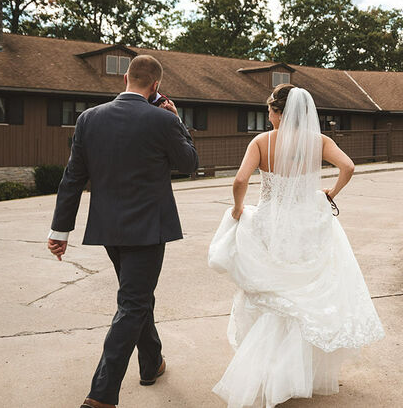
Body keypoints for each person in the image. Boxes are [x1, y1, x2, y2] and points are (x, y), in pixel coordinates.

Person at [209, 85, 384, 407]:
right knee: (306, 296)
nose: (268, 117)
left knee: (276, 295)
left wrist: (237, 209)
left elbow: (239, 181)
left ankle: (271, 371)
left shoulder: (262, 142)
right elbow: (349, 167)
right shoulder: (320, 142)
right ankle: (302, 373)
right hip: (308, 224)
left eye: (269, 111)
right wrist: (330, 193)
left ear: (279, 113)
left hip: (271, 225)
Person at [47, 55, 199, 408]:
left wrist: (60, 230)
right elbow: (189, 163)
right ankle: (101, 395)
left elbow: (72, 178)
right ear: (156, 86)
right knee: (133, 303)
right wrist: (177, 121)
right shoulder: (163, 118)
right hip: (149, 229)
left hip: (109, 229)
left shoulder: (88, 118)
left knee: (136, 296)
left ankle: (152, 363)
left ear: (127, 77)